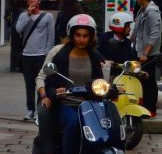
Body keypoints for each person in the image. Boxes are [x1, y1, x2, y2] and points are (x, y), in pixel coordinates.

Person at [35, 14, 108, 154]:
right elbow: (45, 78)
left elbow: (101, 80)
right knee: (74, 122)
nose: (81, 39)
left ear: (91, 37)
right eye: (78, 35)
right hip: (64, 103)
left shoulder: (95, 56)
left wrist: (114, 87)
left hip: (89, 103)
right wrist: (49, 94)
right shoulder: (59, 54)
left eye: (85, 36)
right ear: (72, 35)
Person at [16, 0, 55, 120]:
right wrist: (28, 14)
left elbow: (51, 36)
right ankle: (30, 109)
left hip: (41, 55)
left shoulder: (47, 16)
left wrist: (48, 54)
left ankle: (39, 109)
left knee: (40, 83)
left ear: (39, 1)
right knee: (29, 84)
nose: (32, 1)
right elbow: (18, 29)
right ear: (27, 2)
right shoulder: (23, 15)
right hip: (27, 55)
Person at [131, 0, 162, 116]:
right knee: (142, 80)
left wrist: (145, 53)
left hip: (148, 53)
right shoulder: (142, 10)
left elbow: (155, 34)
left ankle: (151, 109)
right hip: (140, 50)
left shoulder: (152, 12)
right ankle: (144, 107)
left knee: (149, 81)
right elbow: (137, 29)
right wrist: (130, 41)